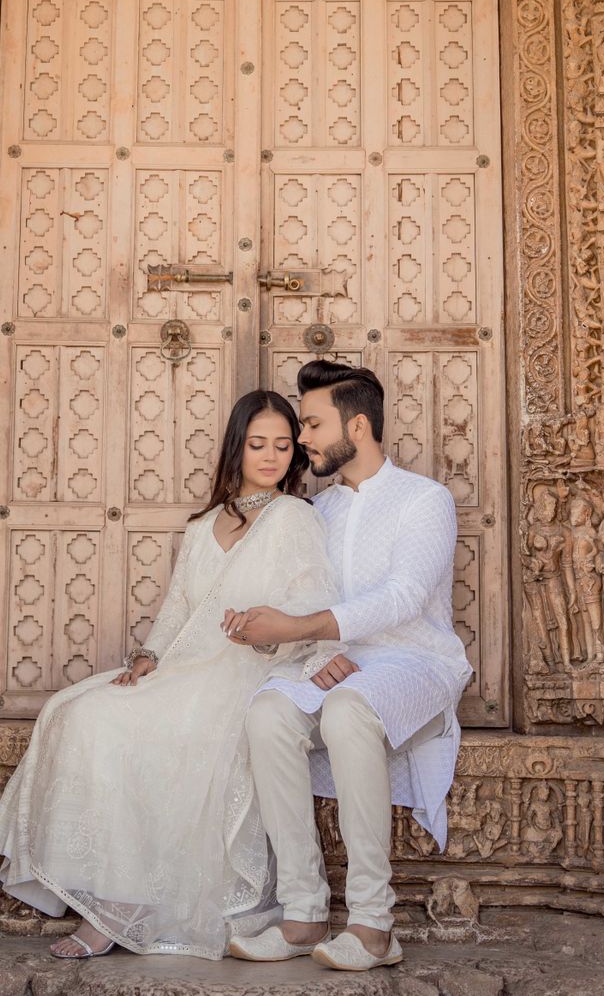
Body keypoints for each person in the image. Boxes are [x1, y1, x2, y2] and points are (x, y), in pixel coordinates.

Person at [0, 390, 340, 961]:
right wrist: (148, 657)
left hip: (250, 673)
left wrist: (314, 658)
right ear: (236, 449)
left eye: (281, 445)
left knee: (136, 728)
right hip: (189, 665)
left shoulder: (296, 517)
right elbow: (178, 605)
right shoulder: (203, 526)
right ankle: (110, 893)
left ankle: (123, 910)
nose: (270, 456)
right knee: (77, 710)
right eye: (257, 444)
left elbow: (313, 602)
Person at [224, 360, 472, 971]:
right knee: (270, 711)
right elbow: (311, 602)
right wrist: (301, 643)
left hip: (418, 660)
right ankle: (303, 914)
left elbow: (404, 598)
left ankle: (372, 924)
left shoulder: (425, 499)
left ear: (357, 426)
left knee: (347, 709)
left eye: (311, 424)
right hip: (339, 658)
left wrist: (306, 630)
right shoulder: (320, 511)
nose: (301, 439)